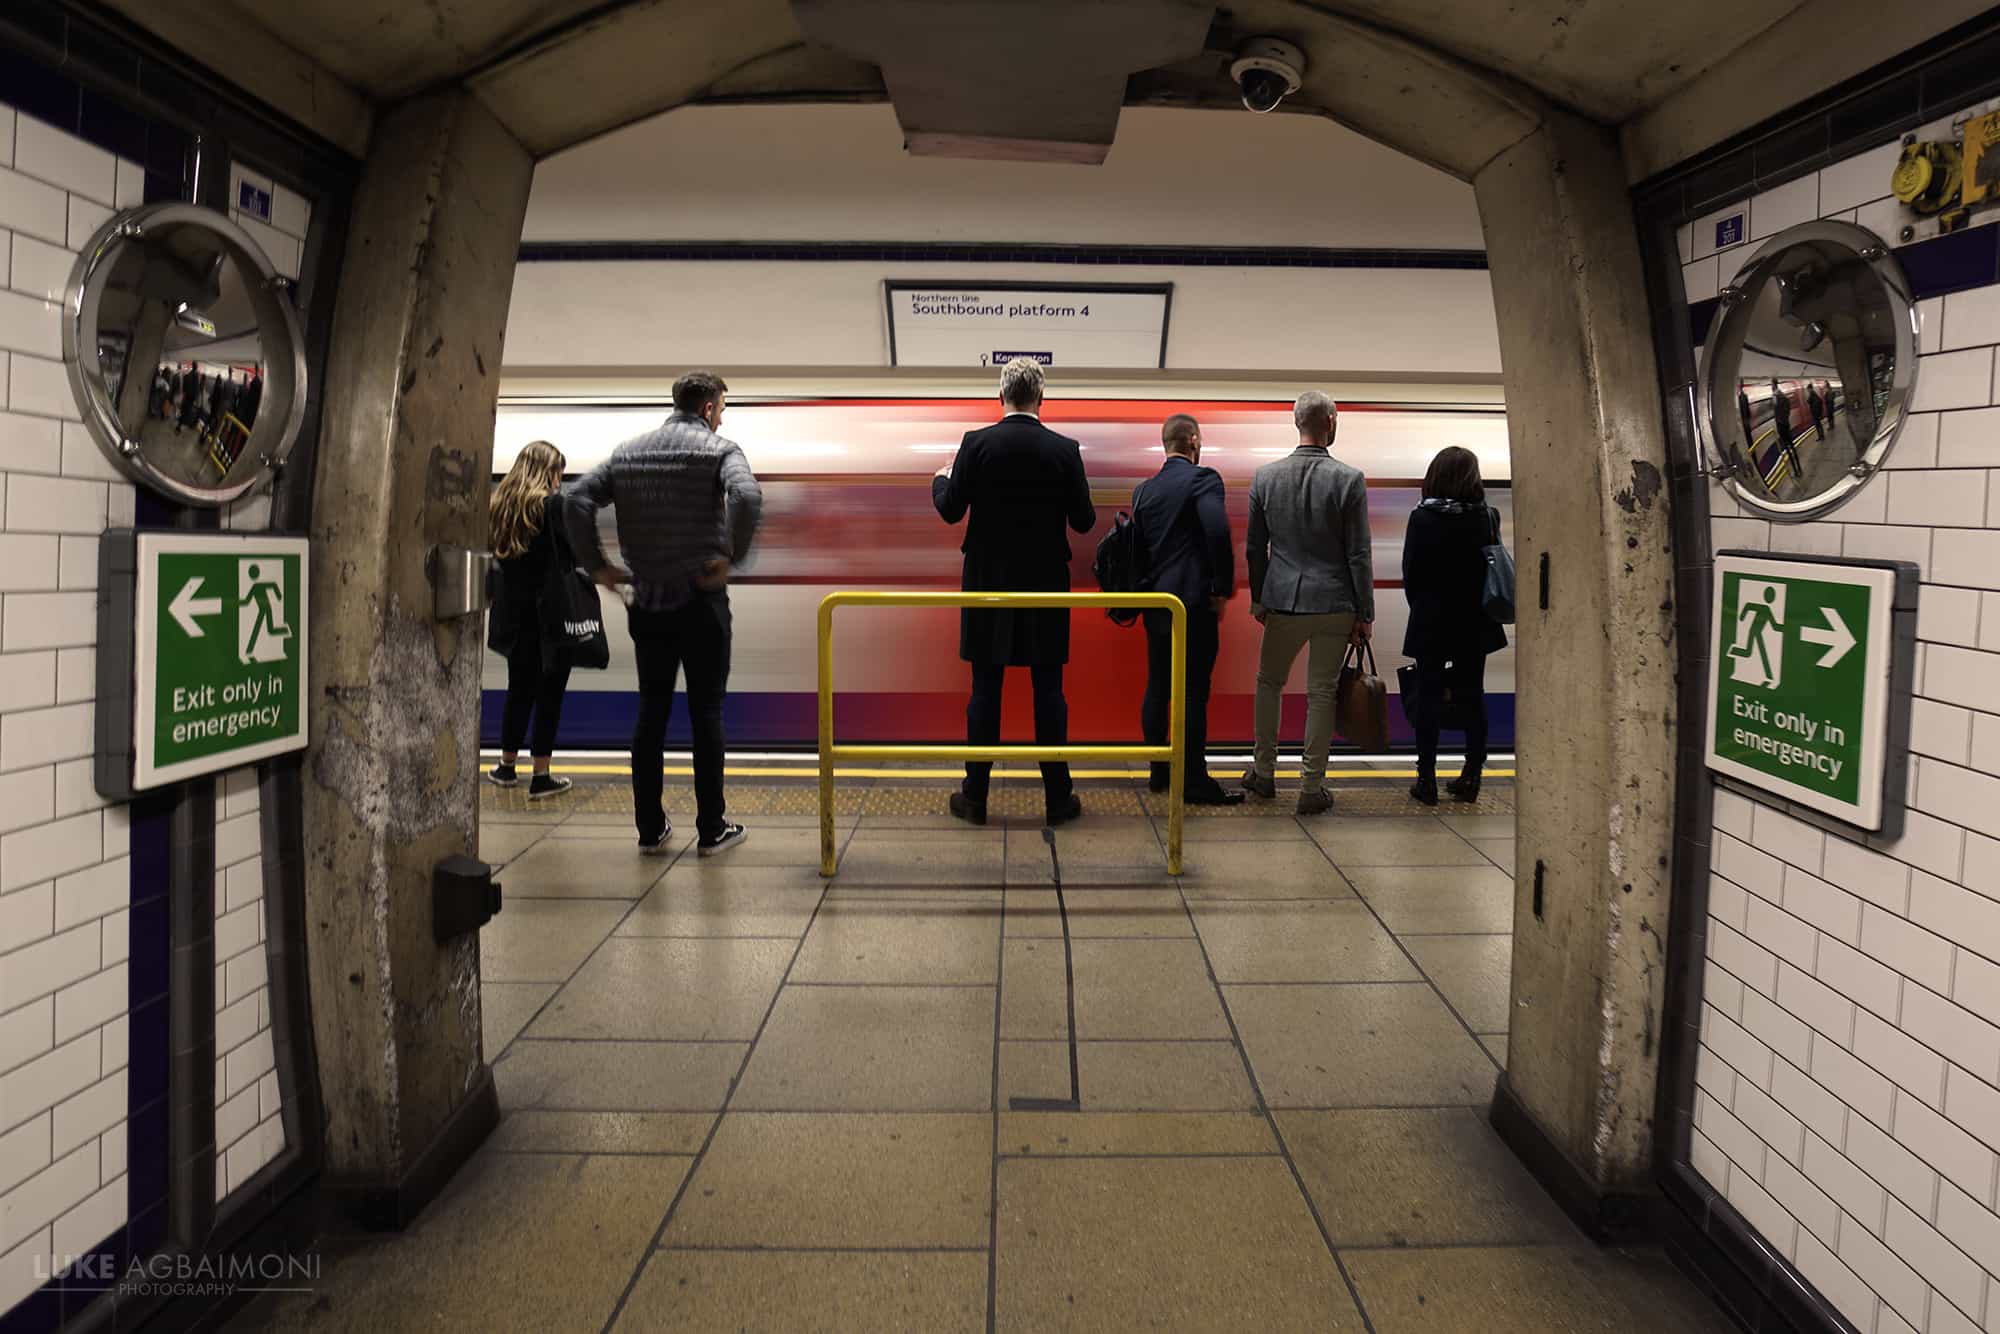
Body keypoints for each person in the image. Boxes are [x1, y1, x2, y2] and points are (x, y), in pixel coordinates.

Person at [568, 371, 762, 857]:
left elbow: (576, 499)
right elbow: (748, 495)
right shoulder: (721, 451)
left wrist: (599, 567)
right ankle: (711, 828)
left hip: (648, 604)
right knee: (707, 712)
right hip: (702, 602)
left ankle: (650, 829)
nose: (722, 417)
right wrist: (730, 556)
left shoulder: (629, 452)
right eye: (722, 408)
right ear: (708, 408)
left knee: (651, 712)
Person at [933, 357, 1095, 827]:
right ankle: (1058, 797)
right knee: (1049, 691)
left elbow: (950, 510)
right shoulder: (1065, 450)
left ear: (1000, 397)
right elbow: (1083, 521)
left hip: (987, 585)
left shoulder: (975, 444)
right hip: (1046, 586)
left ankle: (976, 796)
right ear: (1041, 399)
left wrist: (941, 480)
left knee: (985, 689)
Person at [1242, 391, 1375, 815]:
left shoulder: (1265, 478)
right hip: (1335, 601)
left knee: (1269, 684)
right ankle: (1311, 787)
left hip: (1282, 600)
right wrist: (1364, 612)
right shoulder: (1349, 479)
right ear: (1331, 422)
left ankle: (1263, 774)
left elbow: (1253, 547)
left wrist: (1260, 597)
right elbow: (1358, 553)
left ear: (1296, 422)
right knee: (1321, 692)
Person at [1132, 413, 1241, 805]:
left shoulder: (1144, 491)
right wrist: (1222, 587)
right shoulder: (1204, 479)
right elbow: (1216, 529)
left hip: (1157, 605)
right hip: (1193, 605)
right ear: (1193, 441)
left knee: (1158, 686)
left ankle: (1159, 773)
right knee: (1194, 691)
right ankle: (1194, 779)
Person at [1401, 446, 1506, 806]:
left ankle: (1426, 780)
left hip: (1431, 618)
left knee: (1427, 696)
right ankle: (1471, 776)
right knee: (1472, 695)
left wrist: (1424, 606)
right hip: (1475, 620)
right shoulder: (1487, 517)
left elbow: (1410, 573)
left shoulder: (1422, 518)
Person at [485, 440, 576, 800]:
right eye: (558, 474)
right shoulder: (554, 507)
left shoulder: (501, 506)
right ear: (548, 472)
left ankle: (506, 766)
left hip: (512, 615)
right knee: (549, 693)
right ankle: (541, 775)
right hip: (549, 615)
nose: (559, 482)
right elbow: (570, 558)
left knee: (518, 689)